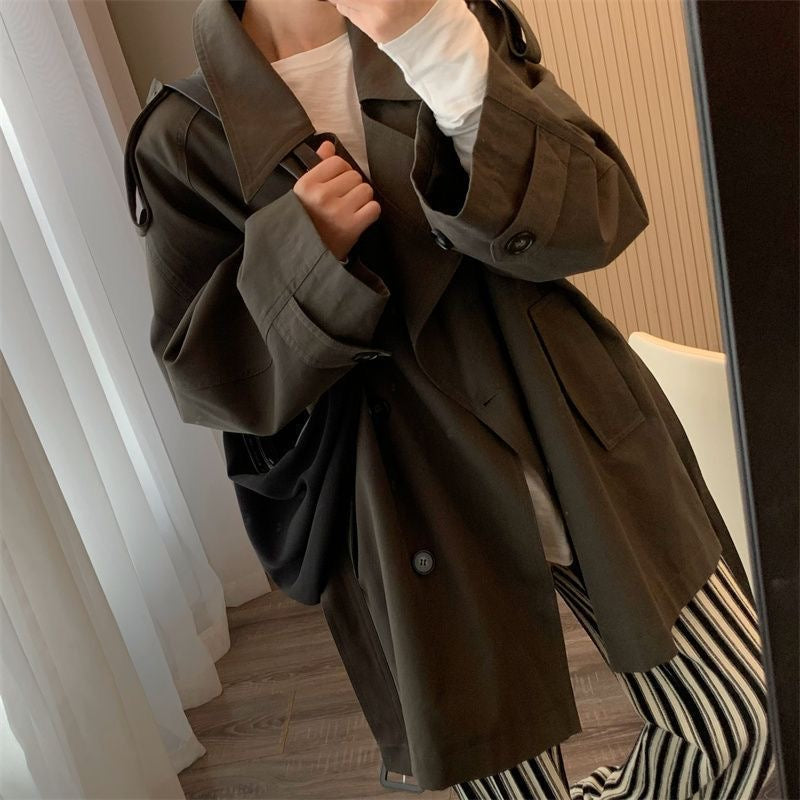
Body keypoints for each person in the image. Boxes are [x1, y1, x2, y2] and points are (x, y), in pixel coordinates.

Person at [125, 0, 773, 796]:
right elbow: (207, 376)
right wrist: (304, 251)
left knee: (742, 714)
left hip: (568, 428)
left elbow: (599, 212)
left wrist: (438, 48)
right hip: (406, 500)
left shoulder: (450, 18)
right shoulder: (183, 134)